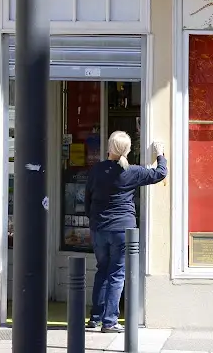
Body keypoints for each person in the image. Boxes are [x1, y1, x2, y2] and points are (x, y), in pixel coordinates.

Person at [85, 131, 166, 333]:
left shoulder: (96, 170)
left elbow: (87, 199)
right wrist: (160, 154)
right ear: (128, 150)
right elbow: (160, 173)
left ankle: (95, 318)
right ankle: (110, 321)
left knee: (102, 270)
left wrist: (93, 220)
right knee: (116, 274)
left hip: (100, 229)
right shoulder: (132, 172)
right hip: (122, 230)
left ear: (109, 148)